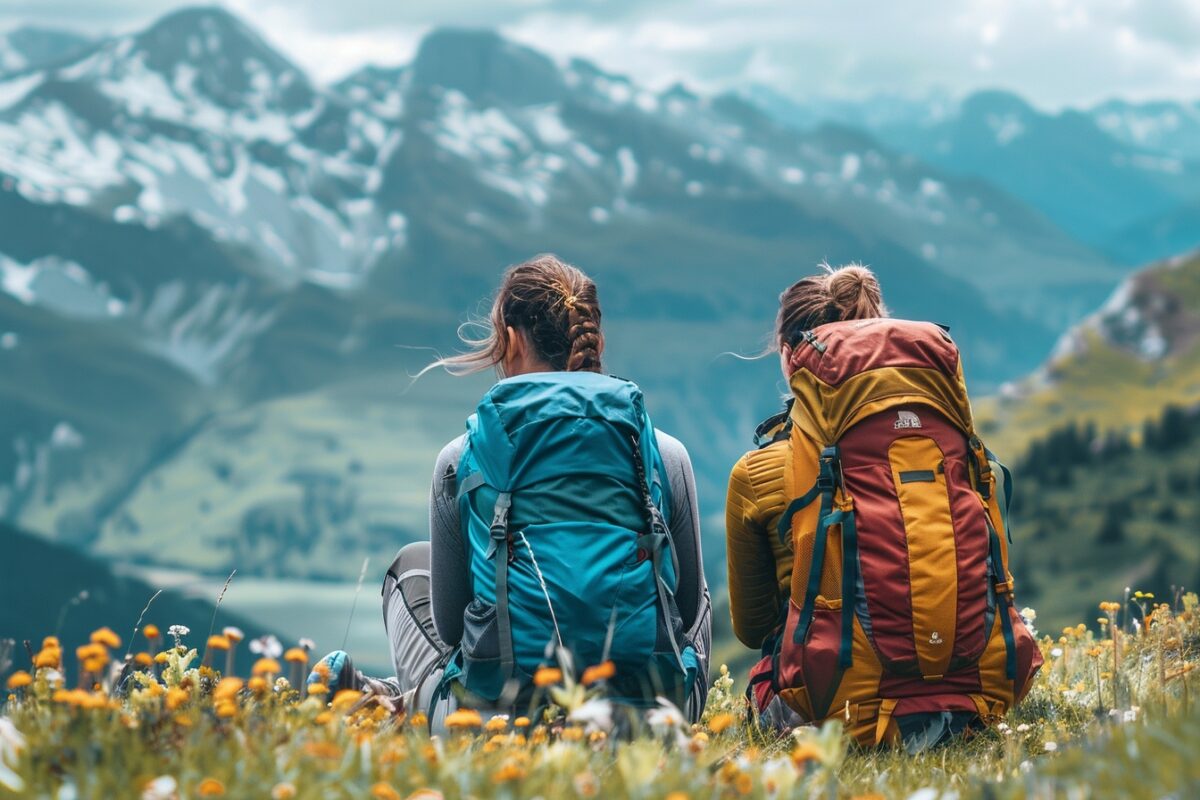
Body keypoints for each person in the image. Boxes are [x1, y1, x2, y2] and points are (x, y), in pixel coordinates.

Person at [315, 255, 711, 730]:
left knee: (409, 567)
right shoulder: (664, 454)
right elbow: (684, 613)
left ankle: (393, 704)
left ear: (513, 337)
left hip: (497, 723)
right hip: (648, 722)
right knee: (698, 592)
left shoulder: (459, 459)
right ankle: (393, 701)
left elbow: (450, 627)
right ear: (595, 338)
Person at [726, 263, 1040, 750]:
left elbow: (752, 628)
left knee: (766, 671)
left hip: (837, 703)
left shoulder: (758, 473)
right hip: (972, 693)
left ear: (790, 357)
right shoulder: (947, 450)